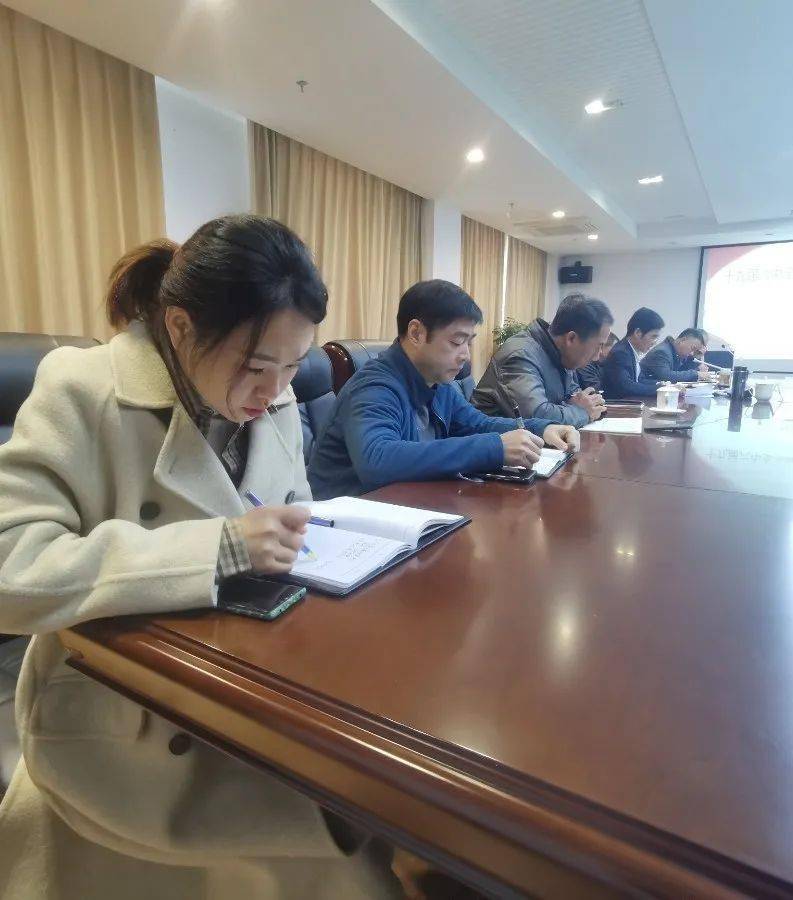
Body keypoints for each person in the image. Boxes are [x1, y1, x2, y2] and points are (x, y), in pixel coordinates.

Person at [0, 215, 402, 900]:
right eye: (256, 366)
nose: (273, 392)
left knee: (375, 803)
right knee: (342, 855)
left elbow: (294, 514)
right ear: (181, 326)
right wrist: (218, 548)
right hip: (123, 716)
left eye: (292, 367)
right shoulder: (83, 387)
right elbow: (12, 569)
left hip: (254, 687)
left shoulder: (276, 403)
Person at [307, 280, 579, 500]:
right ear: (416, 333)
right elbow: (377, 460)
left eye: (469, 342)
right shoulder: (374, 387)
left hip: (408, 509)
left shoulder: (436, 382)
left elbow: (479, 425)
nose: (466, 355)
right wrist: (494, 448)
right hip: (349, 525)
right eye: (457, 342)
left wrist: (542, 429)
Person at [472, 293, 614, 427]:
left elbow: (576, 398)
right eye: (598, 346)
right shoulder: (520, 355)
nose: (597, 356)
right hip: (491, 441)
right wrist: (583, 412)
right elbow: (536, 418)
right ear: (571, 338)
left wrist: (590, 404)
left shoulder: (562, 356)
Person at [602, 307, 665, 399]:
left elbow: (639, 379)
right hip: (617, 405)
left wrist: (661, 384)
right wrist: (660, 389)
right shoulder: (620, 353)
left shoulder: (630, 350)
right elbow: (627, 387)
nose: (655, 342)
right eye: (653, 336)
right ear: (638, 333)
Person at [639, 327, 710, 383]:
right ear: (683, 340)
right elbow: (666, 376)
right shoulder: (662, 352)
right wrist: (696, 374)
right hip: (643, 394)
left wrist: (697, 367)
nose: (692, 353)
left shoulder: (676, 352)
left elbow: (681, 372)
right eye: (692, 348)